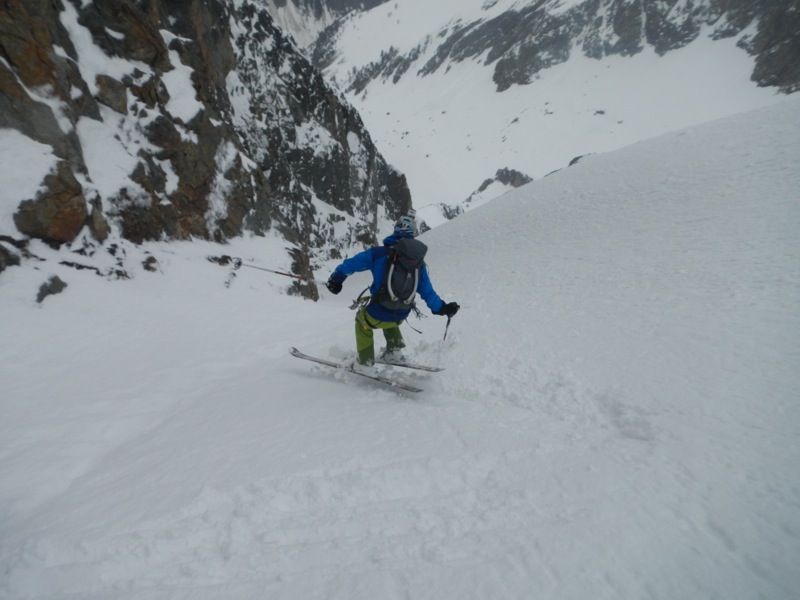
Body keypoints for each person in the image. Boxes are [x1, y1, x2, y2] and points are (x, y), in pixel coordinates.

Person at [326, 212, 460, 366]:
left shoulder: (378, 254)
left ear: (395, 230)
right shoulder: (418, 264)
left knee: (362, 321)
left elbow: (351, 264)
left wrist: (337, 279)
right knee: (389, 320)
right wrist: (443, 308)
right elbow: (428, 292)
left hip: (378, 312)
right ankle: (394, 352)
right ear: (413, 233)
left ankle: (365, 362)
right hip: (401, 314)